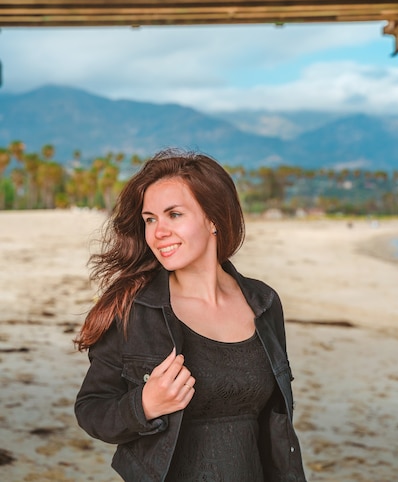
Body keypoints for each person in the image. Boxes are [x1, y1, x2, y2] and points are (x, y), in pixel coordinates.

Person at [74, 149, 307, 482]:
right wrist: (143, 405)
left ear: (213, 218)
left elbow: (277, 422)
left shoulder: (264, 303)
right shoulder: (133, 309)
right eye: (150, 219)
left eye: (174, 215)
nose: (158, 231)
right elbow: (91, 409)